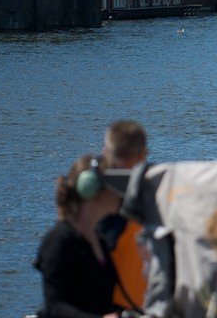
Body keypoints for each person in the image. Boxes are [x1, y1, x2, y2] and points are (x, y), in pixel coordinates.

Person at [34, 154, 124, 318]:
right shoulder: (59, 241)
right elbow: (55, 307)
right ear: (91, 189)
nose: (120, 194)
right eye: (113, 186)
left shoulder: (98, 239)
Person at [102, 121, 149, 313]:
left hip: (105, 306)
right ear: (143, 155)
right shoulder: (156, 198)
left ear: (105, 153)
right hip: (144, 305)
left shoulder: (94, 204)